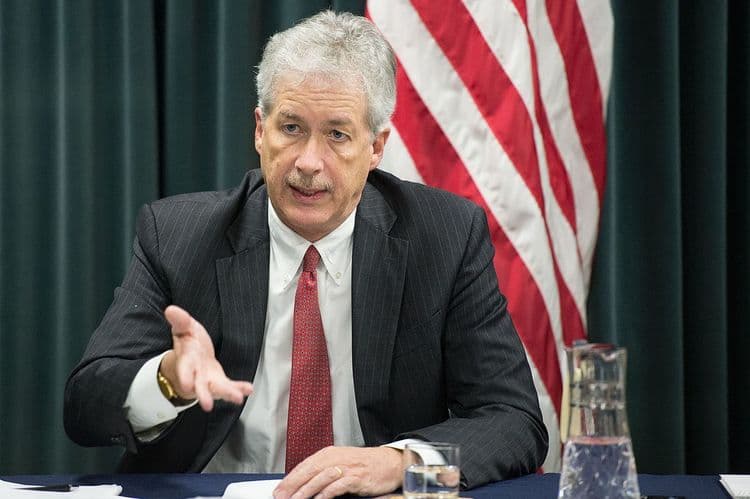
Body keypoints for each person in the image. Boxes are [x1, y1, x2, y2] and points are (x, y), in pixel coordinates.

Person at [64, 10, 548, 498]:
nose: (309, 162)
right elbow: (85, 406)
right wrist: (167, 381)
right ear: (260, 130)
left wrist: (399, 463)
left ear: (376, 147)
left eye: (337, 135)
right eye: (291, 127)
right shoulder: (180, 235)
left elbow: (513, 418)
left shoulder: (443, 238)